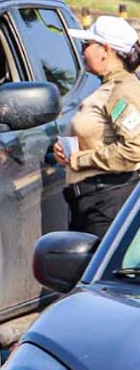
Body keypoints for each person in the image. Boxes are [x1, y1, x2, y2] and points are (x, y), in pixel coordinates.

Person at [53, 15, 140, 237]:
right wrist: (65, 151)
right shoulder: (106, 87)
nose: (82, 51)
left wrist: (82, 159)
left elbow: (135, 148)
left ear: (106, 50)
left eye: (87, 44)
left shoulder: (122, 91)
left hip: (108, 204)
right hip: (91, 203)